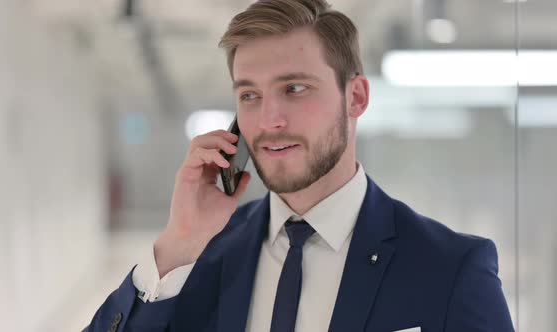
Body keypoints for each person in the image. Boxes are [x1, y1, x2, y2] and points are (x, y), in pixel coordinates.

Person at [85, 0, 515, 331]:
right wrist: (177, 245)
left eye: (294, 88)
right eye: (249, 95)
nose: (270, 120)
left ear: (356, 97)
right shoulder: (203, 257)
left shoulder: (448, 268)